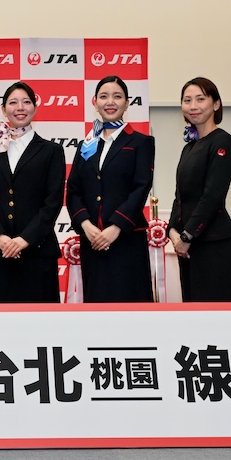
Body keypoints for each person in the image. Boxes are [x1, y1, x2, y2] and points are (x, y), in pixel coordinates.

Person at [0, 82, 65, 303]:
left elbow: (52, 202)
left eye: (26, 102)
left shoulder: (51, 151)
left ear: (35, 107)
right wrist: (0, 237)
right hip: (1, 252)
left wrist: (24, 239)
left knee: (42, 327)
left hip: (39, 251)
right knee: (4, 327)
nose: (20, 107)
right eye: (13, 103)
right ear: (4, 110)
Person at [66, 76, 155, 302]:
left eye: (117, 96)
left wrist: (115, 227)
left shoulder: (140, 142)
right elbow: (74, 190)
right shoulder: (87, 144)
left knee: (130, 310)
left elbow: (141, 187)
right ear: (95, 102)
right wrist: (86, 225)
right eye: (104, 97)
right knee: (97, 310)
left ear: (127, 103)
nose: (110, 102)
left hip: (126, 240)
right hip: (92, 241)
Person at [168, 77, 231, 302]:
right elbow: (179, 197)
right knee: (194, 317)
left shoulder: (222, 141)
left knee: (218, 320)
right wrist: (172, 231)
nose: (193, 106)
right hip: (188, 246)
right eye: (187, 100)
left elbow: (212, 196)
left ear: (216, 104)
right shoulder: (189, 148)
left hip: (214, 244)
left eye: (200, 99)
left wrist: (188, 234)